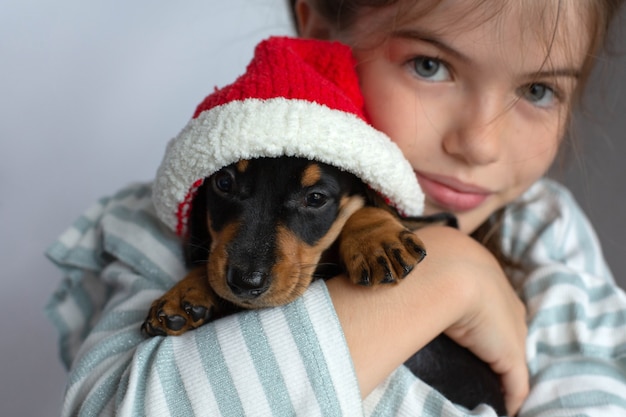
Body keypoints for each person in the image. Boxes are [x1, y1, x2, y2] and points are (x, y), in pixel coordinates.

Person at [45, 0, 626, 416]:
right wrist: (449, 275)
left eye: (537, 90)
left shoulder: (547, 237)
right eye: (430, 64)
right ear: (319, 27)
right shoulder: (166, 220)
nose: (480, 144)